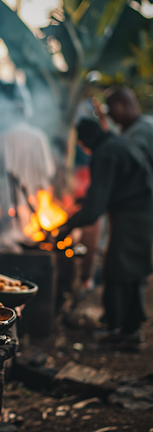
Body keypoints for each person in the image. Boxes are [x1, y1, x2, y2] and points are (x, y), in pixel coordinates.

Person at [58, 118, 153, 350]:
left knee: (119, 268)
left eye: (81, 142)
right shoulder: (115, 143)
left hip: (134, 215)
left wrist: (66, 228)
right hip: (139, 211)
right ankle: (129, 326)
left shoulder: (105, 153)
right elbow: (104, 189)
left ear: (88, 138)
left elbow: (94, 210)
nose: (83, 148)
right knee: (129, 268)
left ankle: (120, 329)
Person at [94, 86, 153, 168]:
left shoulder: (145, 130)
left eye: (110, 108)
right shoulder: (127, 129)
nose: (109, 114)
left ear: (122, 105)